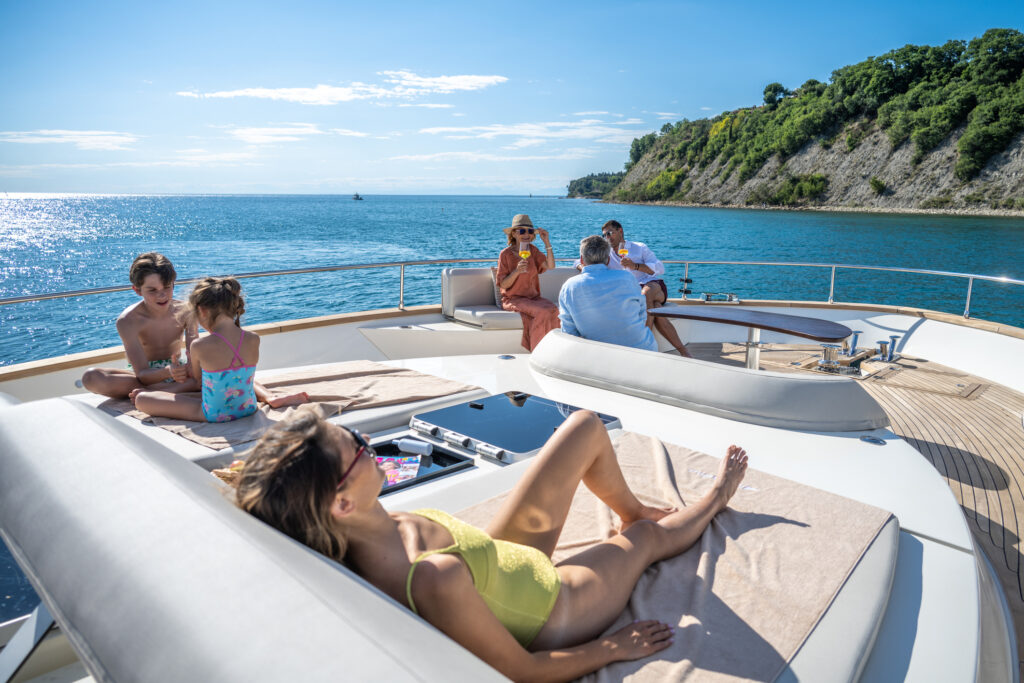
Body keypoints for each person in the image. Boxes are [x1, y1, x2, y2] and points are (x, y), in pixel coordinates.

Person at [236, 407, 748, 681]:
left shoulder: (361, 526)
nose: (368, 445)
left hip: (497, 561)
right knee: (645, 538)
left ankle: (631, 508)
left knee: (585, 427)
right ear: (342, 504)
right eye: (358, 447)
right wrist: (611, 648)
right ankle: (715, 498)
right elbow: (520, 671)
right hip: (554, 606)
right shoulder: (432, 576)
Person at [130, 276, 308, 422]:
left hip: (213, 414)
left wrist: (174, 375)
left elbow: (198, 383)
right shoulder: (254, 338)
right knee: (236, 376)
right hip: (248, 408)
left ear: (202, 311)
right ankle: (269, 397)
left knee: (142, 399)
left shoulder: (199, 346)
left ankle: (148, 395)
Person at [81, 252, 198, 398]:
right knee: (91, 378)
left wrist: (188, 368)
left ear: (173, 284)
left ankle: (152, 393)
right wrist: (168, 371)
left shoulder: (186, 311)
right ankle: (174, 390)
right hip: (143, 376)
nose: (162, 295)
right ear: (137, 290)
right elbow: (142, 374)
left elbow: (195, 355)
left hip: (178, 372)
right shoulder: (128, 321)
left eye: (167, 287)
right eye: (152, 290)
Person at [601, 220, 692, 358]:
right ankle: (684, 352)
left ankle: (643, 346)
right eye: (604, 235)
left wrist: (636, 266)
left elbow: (660, 267)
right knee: (656, 308)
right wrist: (581, 267)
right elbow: (580, 261)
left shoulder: (639, 247)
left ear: (620, 231)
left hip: (652, 285)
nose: (607, 237)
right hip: (633, 291)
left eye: (609, 233)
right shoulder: (605, 253)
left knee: (646, 294)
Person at [559, 235, 658, 351]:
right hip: (643, 350)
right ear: (608, 259)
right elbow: (641, 313)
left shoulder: (569, 287)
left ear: (581, 260)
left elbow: (569, 332)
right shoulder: (627, 277)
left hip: (600, 355)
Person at [495, 214, 560, 351]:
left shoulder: (533, 251)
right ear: (514, 233)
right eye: (522, 231)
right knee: (542, 312)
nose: (527, 234)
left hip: (533, 298)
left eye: (530, 231)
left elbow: (551, 266)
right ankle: (538, 351)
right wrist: (516, 271)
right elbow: (503, 285)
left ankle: (553, 350)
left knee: (555, 311)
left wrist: (547, 243)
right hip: (513, 299)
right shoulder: (505, 254)